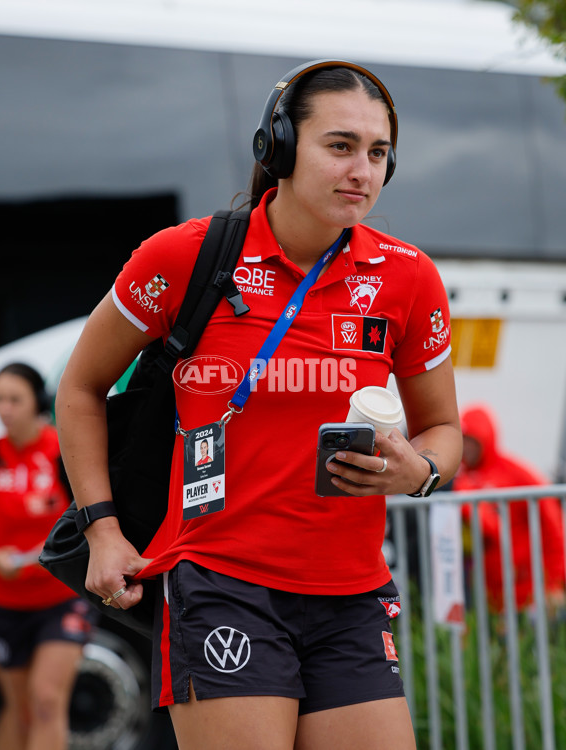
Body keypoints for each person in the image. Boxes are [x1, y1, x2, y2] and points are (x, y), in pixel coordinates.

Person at [55, 60, 462, 750]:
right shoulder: (185, 256)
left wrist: (417, 470)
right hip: (221, 584)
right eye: (340, 146)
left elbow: (443, 428)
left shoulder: (408, 276)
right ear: (277, 147)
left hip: (353, 595)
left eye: (377, 151)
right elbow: (80, 387)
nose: (361, 168)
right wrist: (102, 530)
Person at [0, 362, 96, 750]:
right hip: (4, 605)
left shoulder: (63, 452)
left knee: (45, 701)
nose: (4, 409)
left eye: (14, 399)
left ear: (37, 402)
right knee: (19, 709)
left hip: (62, 599)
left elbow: (95, 512)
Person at [454, 403, 565, 614]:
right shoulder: (461, 480)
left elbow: (552, 524)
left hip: (528, 588)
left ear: (485, 440)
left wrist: (555, 580)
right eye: (463, 441)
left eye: (472, 442)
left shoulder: (516, 473)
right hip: (488, 594)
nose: (466, 448)